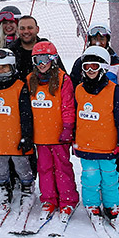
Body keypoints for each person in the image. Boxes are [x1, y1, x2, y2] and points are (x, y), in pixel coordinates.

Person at [68, 23, 119, 201]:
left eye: (102, 38)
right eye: (95, 38)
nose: (98, 41)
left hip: (109, 117)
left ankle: (118, 191)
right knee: (92, 169)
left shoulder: (116, 61)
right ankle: (94, 196)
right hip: (89, 120)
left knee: (116, 163)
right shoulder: (81, 61)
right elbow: (73, 87)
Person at [28, 41, 79, 223]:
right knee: (44, 169)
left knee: (62, 168)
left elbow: (67, 106)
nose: (42, 63)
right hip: (40, 136)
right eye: (38, 59)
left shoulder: (63, 79)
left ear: (53, 59)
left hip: (58, 136)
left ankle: (68, 199)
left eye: (45, 58)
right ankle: (49, 199)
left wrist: (67, 128)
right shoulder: (30, 80)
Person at [0, 48, 36, 210]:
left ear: (12, 67)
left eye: (4, 67)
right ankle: (4, 188)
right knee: (0, 167)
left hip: (16, 139)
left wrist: (27, 136)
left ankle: (27, 188)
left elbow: (26, 114)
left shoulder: (20, 87)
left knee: (22, 166)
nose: (0, 71)